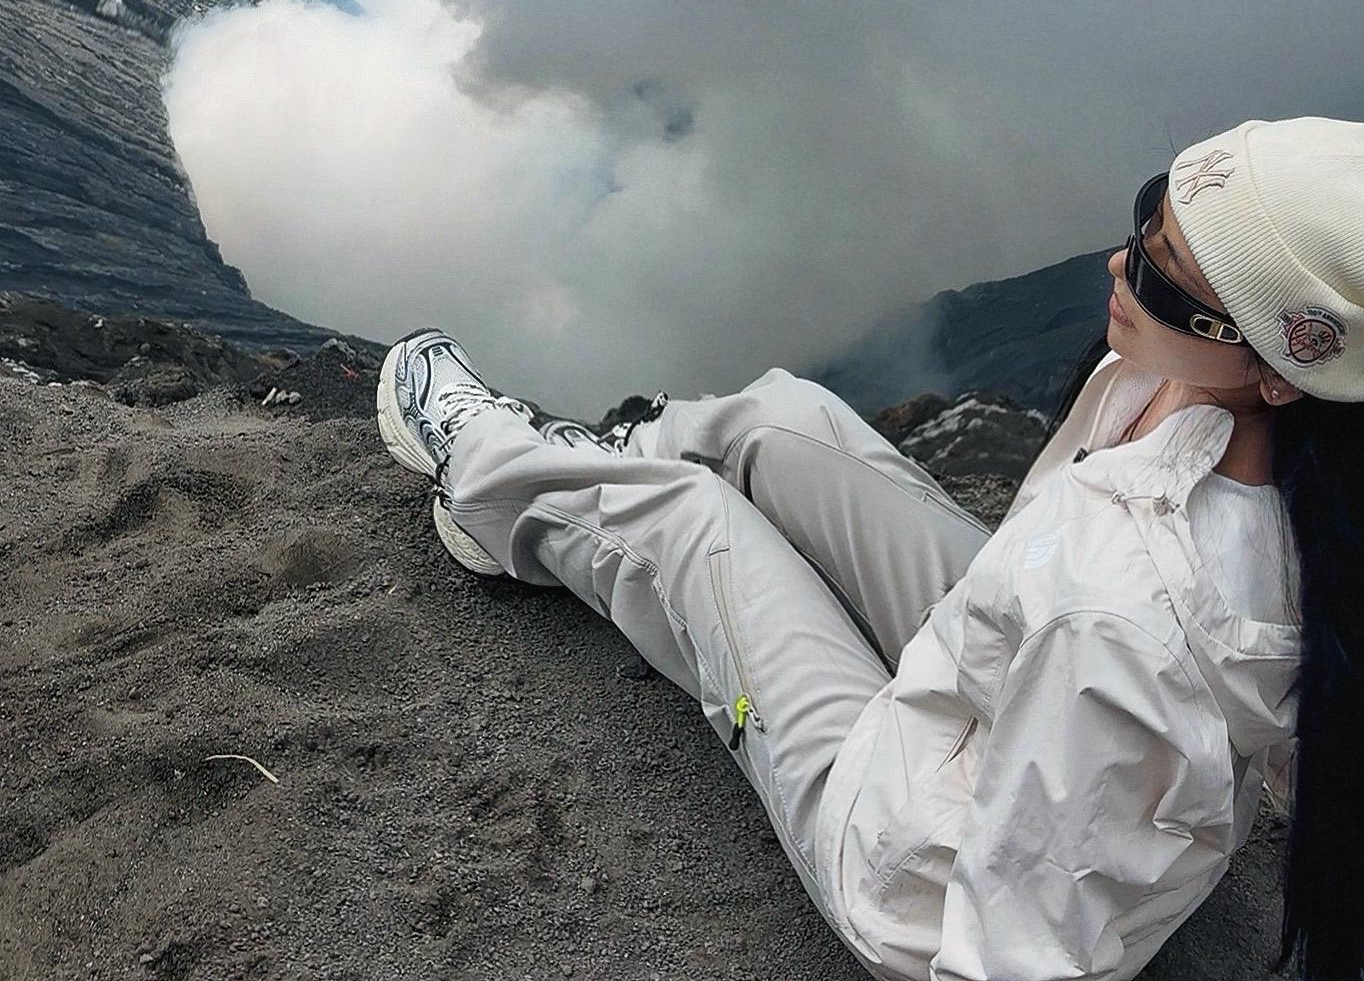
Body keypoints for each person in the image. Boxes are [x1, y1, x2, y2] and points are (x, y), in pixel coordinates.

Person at [375, 115, 1364, 980]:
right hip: (1005, 665)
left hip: (905, 846)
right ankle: (597, 458)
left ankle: (489, 473)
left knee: (690, 522)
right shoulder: (1231, 408)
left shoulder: (1118, 622)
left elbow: (1013, 956)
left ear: (1278, 369)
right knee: (781, 418)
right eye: (1146, 221)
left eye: (1161, 274)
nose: (1119, 267)